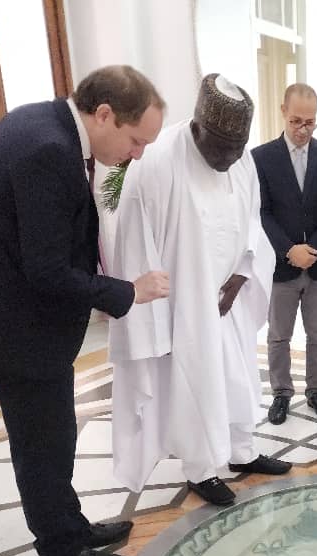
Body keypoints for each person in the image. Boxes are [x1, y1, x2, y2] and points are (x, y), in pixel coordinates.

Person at [0, 65, 170, 556]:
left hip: (7, 306)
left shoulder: (43, 122)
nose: (137, 154)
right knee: (43, 441)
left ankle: (71, 524)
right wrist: (129, 291)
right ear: (103, 114)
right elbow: (47, 271)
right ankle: (61, 550)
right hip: (9, 321)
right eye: (135, 140)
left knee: (54, 431)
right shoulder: (49, 150)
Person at [109, 74, 290, 508]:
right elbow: (136, 244)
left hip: (230, 300)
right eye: (222, 148)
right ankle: (200, 469)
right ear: (197, 128)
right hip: (184, 306)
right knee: (196, 385)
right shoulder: (158, 162)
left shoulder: (241, 161)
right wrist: (155, 315)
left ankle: (242, 451)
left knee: (238, 378)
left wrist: (243, 273)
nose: (230, 158)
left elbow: (252, 218)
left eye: (237, 148)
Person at [252, 84, 317, 425]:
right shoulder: (261, 158)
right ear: (283, 112)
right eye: (296, 121)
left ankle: (316, 390)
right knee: (279, 335)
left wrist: (313, 248)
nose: (303, 129)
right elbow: (261, 211)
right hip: (281, 265)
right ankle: (281, 393)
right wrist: (289, 249)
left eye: (310, 122)